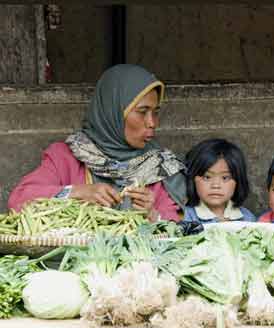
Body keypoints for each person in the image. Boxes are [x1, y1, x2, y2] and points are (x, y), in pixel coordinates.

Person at [8, 64, 186, 222]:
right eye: (142, 112)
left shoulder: (161, 167)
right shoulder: (66, 157)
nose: (152, 123)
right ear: (112, 112)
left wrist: (153, 215)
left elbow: (180, 225)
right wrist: (77, 192)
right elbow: (19, 200)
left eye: (155, 112)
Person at [183, 138, 255, 224]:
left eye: (225, 178)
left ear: (238, 181)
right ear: (193, 179)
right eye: (207, 177)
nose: (216, 185)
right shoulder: (185, 217)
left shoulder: (247, 218)